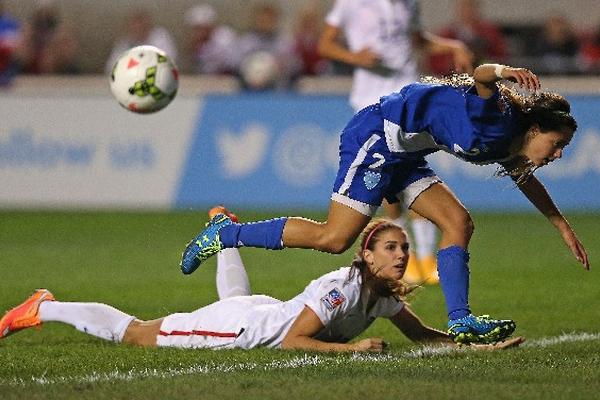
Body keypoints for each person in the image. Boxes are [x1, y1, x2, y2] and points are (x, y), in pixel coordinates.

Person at [180, 63, 590, 345]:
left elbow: (525, 179)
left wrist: (561, 226)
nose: (557, 155)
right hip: (377, 136)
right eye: (557, 145)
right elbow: (482, 77)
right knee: (334, 238)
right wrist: (503, 72)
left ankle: (461, 318)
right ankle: (225, 233)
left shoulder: (510, 141)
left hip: (406, 153)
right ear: (535, 128)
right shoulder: (497, 120)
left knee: (458, 223)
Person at [0, 212, 524, 351]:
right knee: (137, 333)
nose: (402, 254)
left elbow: (425, 337)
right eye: (390, 247)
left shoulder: (381, 295)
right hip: (245, 329)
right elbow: (296, 339)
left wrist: (478, 346)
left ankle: (224, 237)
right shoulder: (344, 287)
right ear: (365, 254)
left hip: (260, 309)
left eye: (404, 248)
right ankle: (42, 306)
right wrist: (351, 349)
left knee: (239, 297)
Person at [317, 0, 476, 285]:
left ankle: (425, 260)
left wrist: (451, 46)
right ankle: (410, 256)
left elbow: (416, 39)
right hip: (372, 106)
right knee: (389, 187)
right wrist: (356, 58)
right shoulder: (351, 4)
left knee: (414, 173)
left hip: (408, 101)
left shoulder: (409, 3)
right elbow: (325, 45)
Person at [428, 0, 507, 76]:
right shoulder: (445, 35)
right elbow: (435, 62)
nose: (467, 11)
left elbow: (501, 57)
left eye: (470, 6)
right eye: (463, 7)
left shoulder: (490, 32)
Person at [105, 9, 177, 74]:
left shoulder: (160, 36)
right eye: (135, 28)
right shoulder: (125, 43)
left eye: (141, 27)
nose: (138, 30)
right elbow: (111, 67)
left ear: (148, 26)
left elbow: (168, 61)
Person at [184, 4, 238, 75]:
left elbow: (229, 64)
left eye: (200, 28)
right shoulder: (199, 43)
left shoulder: (225, 36)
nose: (197, 32)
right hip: (207, 78)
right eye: (195, 29)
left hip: (228, 77)